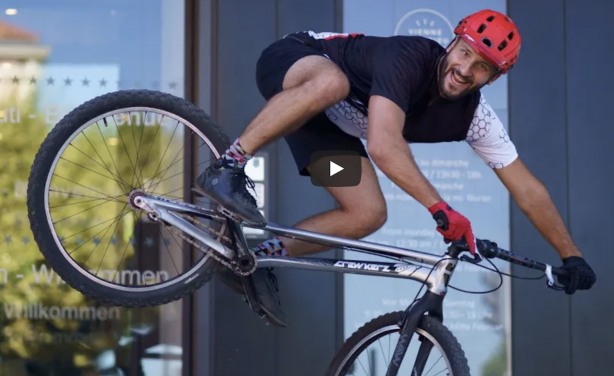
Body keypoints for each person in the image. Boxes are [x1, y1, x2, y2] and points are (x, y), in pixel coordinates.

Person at [194, 9, 597, 327]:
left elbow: (527, 188)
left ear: (493, 77)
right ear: (452, 42)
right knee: (333, 83)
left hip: (318, 130)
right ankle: (227, 167)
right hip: (295, 66)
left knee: (367, 213)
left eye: (482, 67)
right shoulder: (411, 57)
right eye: (464, 52)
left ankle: (254, 258)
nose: (465, 69)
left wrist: (571, 255)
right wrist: (441, 209)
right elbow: (384, 146)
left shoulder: (476, 119)